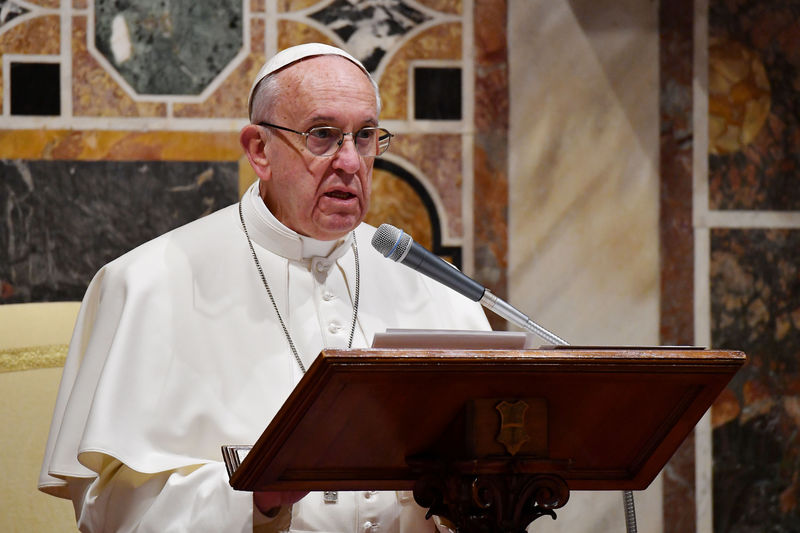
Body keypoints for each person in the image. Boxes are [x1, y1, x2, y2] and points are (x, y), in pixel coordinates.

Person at [38, 43, 491, 532]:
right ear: (259, 150)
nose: (350, 162)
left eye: (364, 137)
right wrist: (258, 497)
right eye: (323, 135)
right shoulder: (147, 283)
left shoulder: (430, 284)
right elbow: (107, 510)